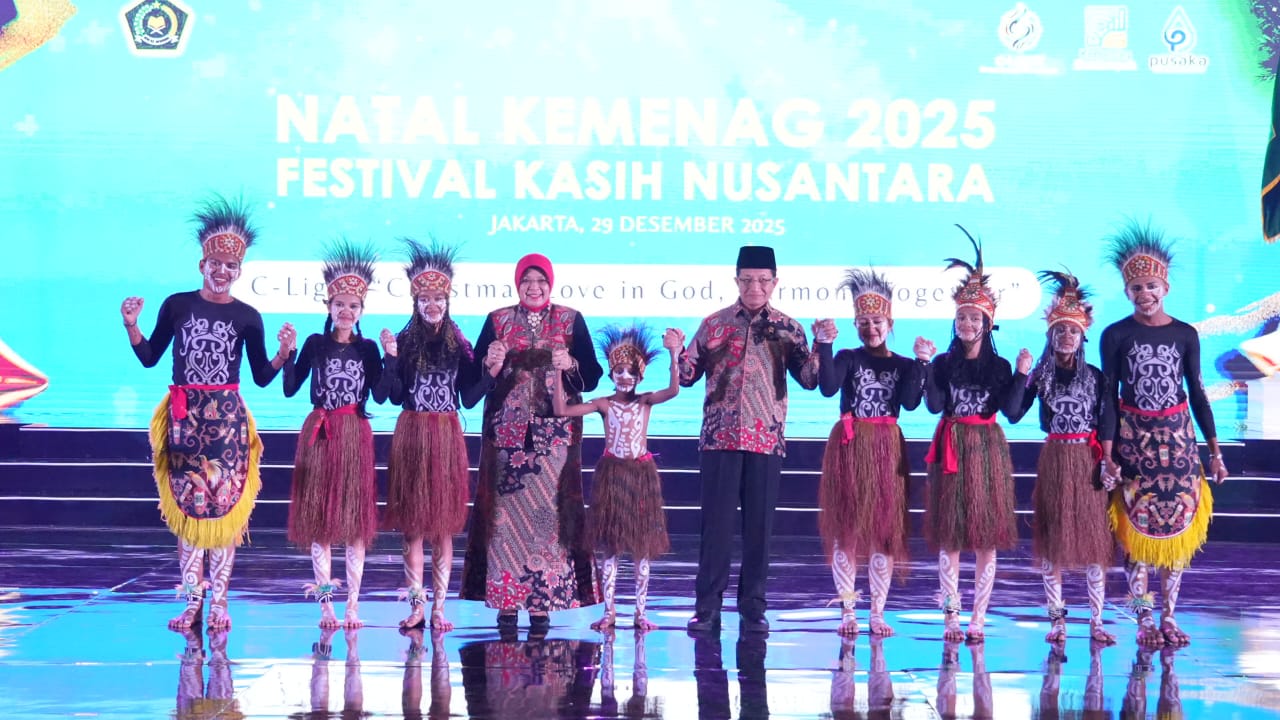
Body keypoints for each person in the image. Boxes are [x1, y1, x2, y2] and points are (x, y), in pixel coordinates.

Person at [121, 194, 294, 630]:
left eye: (230, 266)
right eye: (215, 263)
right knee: (188, 514)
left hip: (227, 426)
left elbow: (261, 377)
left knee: (224, 513)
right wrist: (132, 326)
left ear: (239, 271)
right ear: (202, 264)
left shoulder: (248, 317)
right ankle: (192, 602)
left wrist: (283, 353)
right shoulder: (177, 305)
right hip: (184, 421)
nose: (222, 271)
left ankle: (219, 603)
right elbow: (150, 357)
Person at [679, 245, 824, 634]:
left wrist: (821, 344)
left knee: (759, 530)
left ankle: (753, 607)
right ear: (736, 281)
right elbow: (688, 376)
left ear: (774, 282)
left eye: (762, 280)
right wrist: (677, 352)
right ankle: (707, 608)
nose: (754, 287)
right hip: (720, 439)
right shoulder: (714, 324)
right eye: (747, 280)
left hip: (765, 439)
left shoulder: (788, 328)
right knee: (715, 528)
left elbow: (810, 379)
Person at [1099, 222, 1228, 648]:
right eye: (1136, 288)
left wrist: (1215, 452)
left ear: (1165, 287)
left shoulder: (1185, 334)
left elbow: (1198, 393)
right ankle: (1143, 619)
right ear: (1127, 292)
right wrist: (1108, 455)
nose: (1145, 294)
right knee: (1136, 539)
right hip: (1134, 445)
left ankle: (1169, 616)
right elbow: (1108, 396)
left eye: (1151, 286)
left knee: (1177, 535)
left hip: (1180, 444)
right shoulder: (1115, 335)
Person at [460, 253, 604, 631]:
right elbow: (472, 381)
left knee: (548, 519)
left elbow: (592, 376)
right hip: (506, 435)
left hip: (555, 437)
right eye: (527, 280)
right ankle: (506, 600)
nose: (534, 287)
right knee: (504, 521)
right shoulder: (498, 320)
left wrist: (571, 364)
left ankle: (543, 601)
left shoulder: (571, 320)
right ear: (517, 283)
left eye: (541, 281)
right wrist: (488, 362)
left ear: (550, 284)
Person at [921, 226, 1028, 643]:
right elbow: (933, 406)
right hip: (952, 446)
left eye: (974, 317)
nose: (967, 322)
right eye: (962, 316)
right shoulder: (944, 362)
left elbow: (1014, 413)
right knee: (950, 536)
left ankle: (978, 617)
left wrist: (1022, 375)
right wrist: (926, 366)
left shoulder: (1000, 367)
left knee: (986, 538)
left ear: (988, 323)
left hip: (986, 450)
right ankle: (951, 615)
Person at [816, 268, 929, 637]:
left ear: (890, 323)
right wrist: (823, 345)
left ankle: (877, 612)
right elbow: (828, 387)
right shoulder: (848, 357)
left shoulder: (904, 364)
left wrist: (922, 364)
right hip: (850, 449)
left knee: (884, 532)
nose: (871, 328)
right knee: (846, 531)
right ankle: (849, 610)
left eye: (877, 322)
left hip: (886, 450)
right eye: (863, 322)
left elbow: (910, 403)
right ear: (855, 324)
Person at [1006, 270, 1117, 645]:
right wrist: (1021, 374)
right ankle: (1057, 620)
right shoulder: (1040, 374)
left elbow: (1107, 421)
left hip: (1087, 461)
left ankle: (1096, 621)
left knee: (1094, 544)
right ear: (1050, 335)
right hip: (1055, 460)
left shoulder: (1097, 377)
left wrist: (1108, 460)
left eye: (1072, 330)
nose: (1066, 336)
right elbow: (1013, 413)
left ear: (1082, 336)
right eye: (1060, 331)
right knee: (1052, 542)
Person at [379, 238, 482, 632]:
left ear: (447, 299)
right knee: (413, 527)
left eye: (438, 298)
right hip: (412, 434)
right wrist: (390, 360)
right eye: (425, 299)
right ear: (415, 301)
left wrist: (490, 372)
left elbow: (469, 398)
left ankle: (439, 608)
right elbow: (389, 397)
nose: (432, 305)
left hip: (446, 436)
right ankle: (417, 607)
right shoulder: (404, 342)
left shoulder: (460, 345)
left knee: (442, 527)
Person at [283, 241, 386, 629]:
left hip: (354, 434)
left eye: (353, 306)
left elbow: (381, 395)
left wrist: (391, 359)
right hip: (320, 435)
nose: (346, 311)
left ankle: (353, 606)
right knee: (320, 522)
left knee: (354, 523)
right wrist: (288, 353)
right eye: (339, 304)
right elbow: (290, 388)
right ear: (329, 307)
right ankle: (326, 606)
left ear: (361, 311)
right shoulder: (315, 344)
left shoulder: (368, 349)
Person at [553, 324, 681, 632]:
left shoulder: (645, 401)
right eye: (619, 371)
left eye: (631, 372)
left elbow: (674, 391)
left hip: (641, 476)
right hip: (612, 476)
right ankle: (609, 612)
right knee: (611, 545)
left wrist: (674, 354)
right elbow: (561, 409)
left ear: (640, 377)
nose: (624, 376)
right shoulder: (603, 404)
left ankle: (640, 613)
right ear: (611, 373)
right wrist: (558, 371)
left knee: (641, 547)